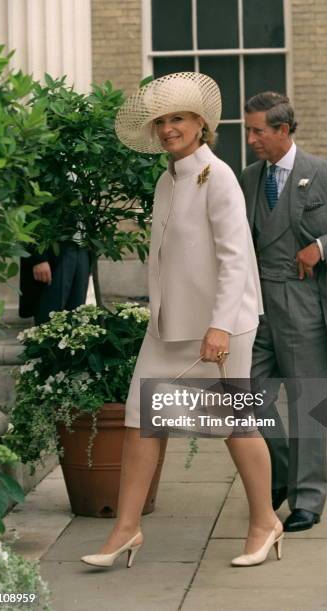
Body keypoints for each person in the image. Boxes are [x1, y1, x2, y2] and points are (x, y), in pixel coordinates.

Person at [81, 72, 283, 569]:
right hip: (169, 325)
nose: (168, 128)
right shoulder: (165, 180)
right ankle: (126, 530)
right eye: (161, 121)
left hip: (223, 324)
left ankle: (265, 522)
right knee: (138, 420)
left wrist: (218, 327)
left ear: (200, 124)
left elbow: (237, 259)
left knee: (236, 424)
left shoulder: (220, 177)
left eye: (178, 119)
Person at [241, 91, 327, 532]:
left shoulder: (324, 174)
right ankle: (280, 472)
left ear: (283, 130)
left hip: (306, 306)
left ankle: (307, 498)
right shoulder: (247, 178)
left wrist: (321, 247)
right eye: (247, 130)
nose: (249, 139)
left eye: (257, 130)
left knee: (306, 404)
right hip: (257, 305)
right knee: (247, 397)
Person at [19, 241, 90, 325]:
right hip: (54, 252)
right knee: (49, 316)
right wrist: (38, 258)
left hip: (83, 248)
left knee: (75, 315)